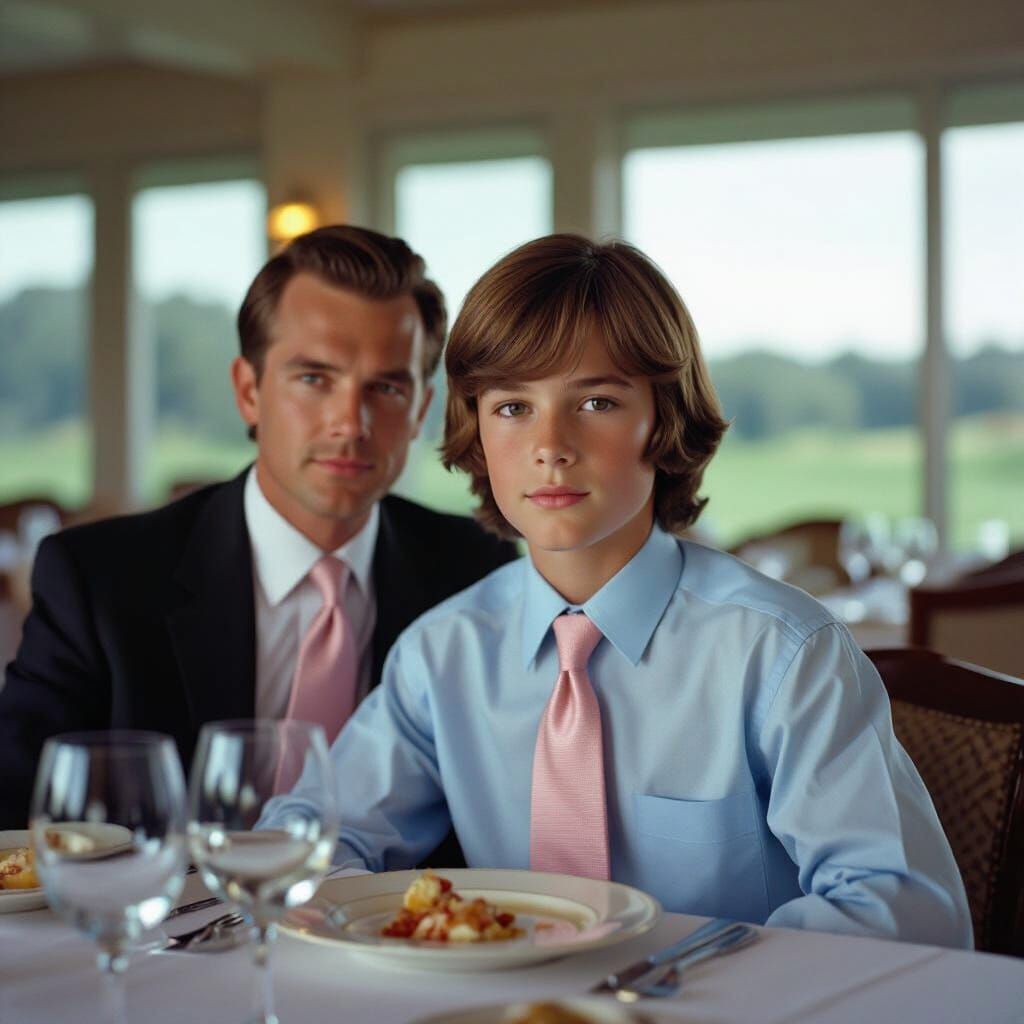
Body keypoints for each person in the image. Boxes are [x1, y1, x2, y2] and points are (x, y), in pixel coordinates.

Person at [281, 233, 972, 947]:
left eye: (598, 401)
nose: (551, 444)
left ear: (662, 420)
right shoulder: (441, 654)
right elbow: (306, 845)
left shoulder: (780, 654)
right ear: (476, 430)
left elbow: (911, 912)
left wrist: (685, 974)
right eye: (513, 407)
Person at [0, 225, 517, 829]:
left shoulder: (476, 571)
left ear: (421, 411)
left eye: (385, 386)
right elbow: (15, 818)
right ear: (249, 392)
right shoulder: (98, 579)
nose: (350, 422)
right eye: (314, 378)